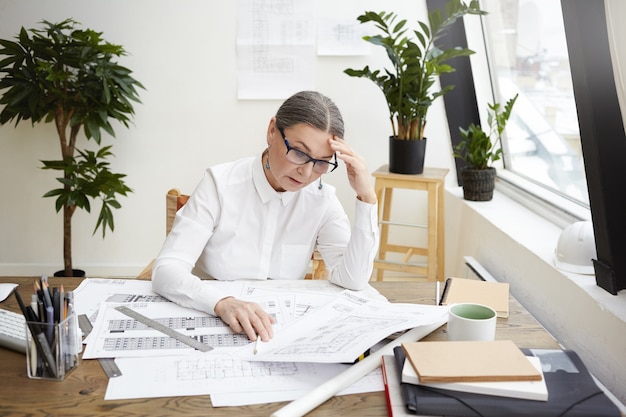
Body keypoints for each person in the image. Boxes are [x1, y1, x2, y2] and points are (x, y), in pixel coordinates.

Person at [151, 91, 379, 344]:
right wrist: (222, 303)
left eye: (321, 162)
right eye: (300, 153)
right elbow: (167, 270)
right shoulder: (220, 184)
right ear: (272, 131)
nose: (306, 172)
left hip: (278, 332)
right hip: (211, 321)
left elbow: (353, 280)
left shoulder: (322, 199)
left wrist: (366, 195)